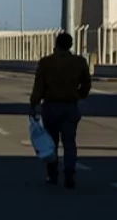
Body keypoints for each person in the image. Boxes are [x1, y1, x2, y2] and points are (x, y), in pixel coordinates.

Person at [29, 32, 91, 189]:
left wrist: (34, 103)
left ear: (56, 44)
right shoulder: (79, 62)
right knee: (70, 142)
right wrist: (79, 95)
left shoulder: (46, 63)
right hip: (70, 107)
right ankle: (69, 173)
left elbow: (38, 87)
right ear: (70, 45)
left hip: (50, 107)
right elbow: (86, 84)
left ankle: (52, 174)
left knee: (52, 143)